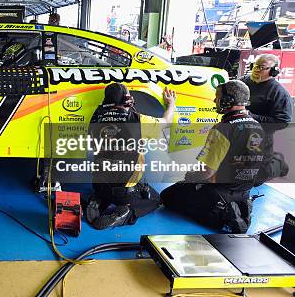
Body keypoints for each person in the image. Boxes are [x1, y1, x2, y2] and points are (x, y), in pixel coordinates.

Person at [161, 80, 281, 234]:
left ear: (227, 100)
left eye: (217, 97)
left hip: (217, 194)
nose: (214, 101)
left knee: (168, 195)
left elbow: (207, 173)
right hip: (243, 193)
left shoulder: (223, 129)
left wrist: (189, 176)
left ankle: (221, 213)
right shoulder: (260, 127)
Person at [86, 83, 176, 229]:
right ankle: (126, 214)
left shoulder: (96, 118)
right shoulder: (137, 120)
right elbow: (167, 122)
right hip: (123, 192)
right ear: (127, 99)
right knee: (155, 199)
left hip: (99, 184)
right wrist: (171, 104)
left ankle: (99, 199)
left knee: (115, 184)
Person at [241, 54, 291, 180]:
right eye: (254, 66)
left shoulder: (279, 92)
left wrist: (251, 117)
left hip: (261, 136)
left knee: (257, 177)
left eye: (261, 67)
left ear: (273, 71)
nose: (256, 70)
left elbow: (282, 121)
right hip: (239, 132)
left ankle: (278, 163)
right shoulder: (243, 82)